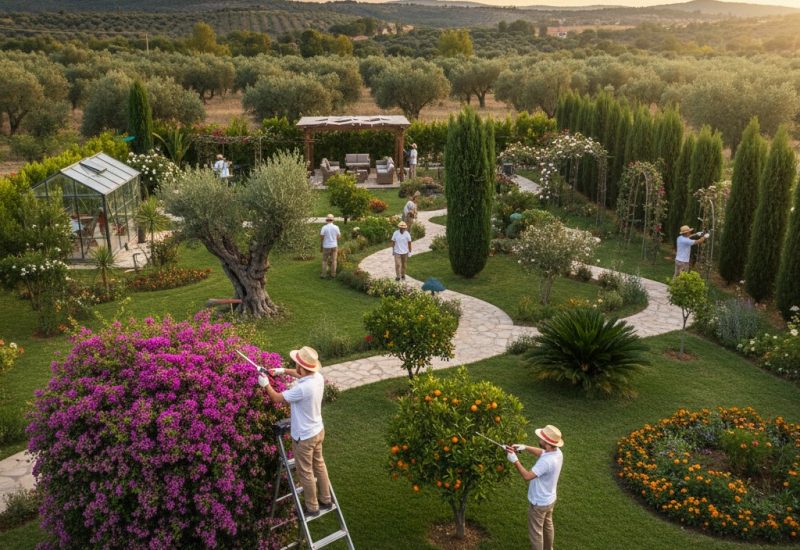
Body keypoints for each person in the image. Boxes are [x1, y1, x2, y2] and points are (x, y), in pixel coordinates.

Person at [258, 346, 332, 517]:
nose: (295, 365)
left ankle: (312, 507)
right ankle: (326, 499)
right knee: (319, 465)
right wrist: (281, 371)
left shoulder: (302, 389)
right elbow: (300, 374)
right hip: (318, 431)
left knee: (305, 472)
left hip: (304, 437)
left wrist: (265, 384)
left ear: (301, 367)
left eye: (296, 364)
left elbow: (276, 398)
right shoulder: (317, 377)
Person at [505, 425, 564, 550]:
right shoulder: (557, 452)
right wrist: (525, 447)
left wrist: (514, 460)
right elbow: (542, 452)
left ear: (547, 443)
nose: (539, 439)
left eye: (541, 439)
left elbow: (527, 476)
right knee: (547, 525)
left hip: (539, 503)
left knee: (536, 534)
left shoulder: (546, 462)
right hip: (550, 499)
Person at [320, 214, 340, 279]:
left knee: (324, 260)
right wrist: (334, 239)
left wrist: (322, 244)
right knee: (334, 260)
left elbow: (321, 237)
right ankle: (333, 274)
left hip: (326, 246)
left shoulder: (324, 227)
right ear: (333, 220)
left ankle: (324, 274)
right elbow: (338, 236)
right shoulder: (336, 227)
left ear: (326, 220)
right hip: (334, 246)